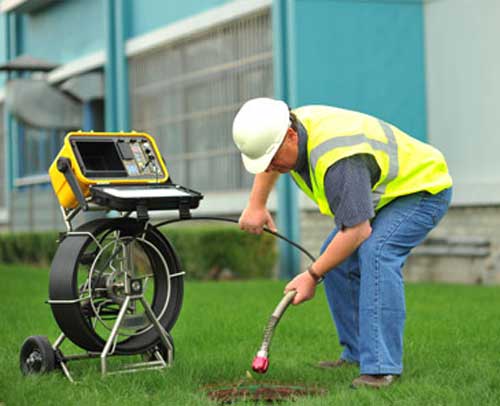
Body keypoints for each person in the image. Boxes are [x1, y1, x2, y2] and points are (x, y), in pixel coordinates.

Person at [232, 97, 453, 389]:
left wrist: (311, 275)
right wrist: (256, 204)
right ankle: (357, 353)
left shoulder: (339, 160)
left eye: (272, 158)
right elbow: (270, 159)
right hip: (387, 194)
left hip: (423, 189)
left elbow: (357, 232)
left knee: (377, 251)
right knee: (333, 258)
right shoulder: (284, 127)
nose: (270, 167)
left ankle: (381, 368)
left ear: (291, 136)